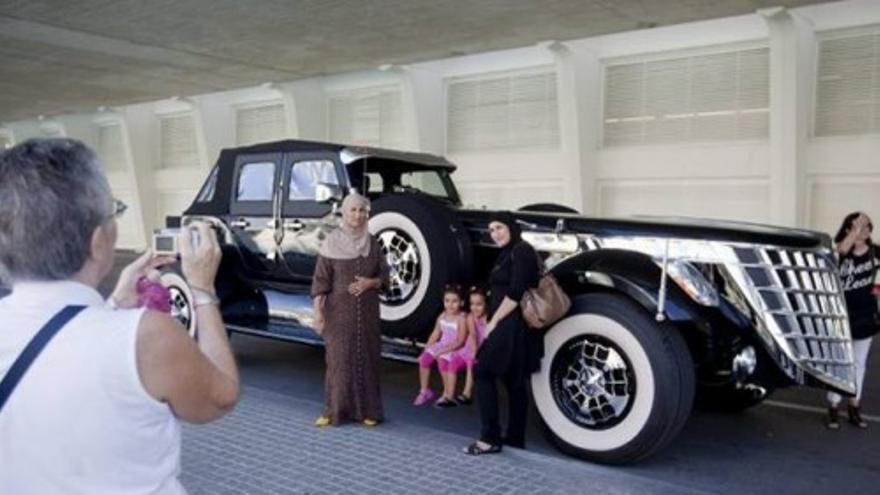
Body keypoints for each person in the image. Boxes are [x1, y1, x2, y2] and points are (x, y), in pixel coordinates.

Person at [0, 138, 239, 493]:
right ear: (99, 240)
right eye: (115, 211)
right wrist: (203, 289)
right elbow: (220, 396)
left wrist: (111, 306)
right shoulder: (147, 337)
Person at [464, 212, 541, 455]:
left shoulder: (521, 251)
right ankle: (515, 438)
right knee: (513, 381)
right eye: (491, 230)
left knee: (482, 370)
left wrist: (493, 322)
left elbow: (517, 291)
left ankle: (490, 438)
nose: (495, 233)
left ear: (510, 227)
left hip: (511, 325)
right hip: (509, 325)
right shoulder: (509, 252)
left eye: (499, 227)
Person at [311, 192, 388, 427]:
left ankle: (369, 412)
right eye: (353, 210)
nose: (358, 215)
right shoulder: (331, 242)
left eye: (362, 211)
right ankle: (334, 411)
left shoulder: (373, 243)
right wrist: (318, 313)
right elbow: (320, 282)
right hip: (338, 314)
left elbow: (385, 278)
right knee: (338, 361)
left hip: (367, 314)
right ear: (344, 213)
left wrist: (370, 283)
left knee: (367, 360)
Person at [826, 211, 878, 430]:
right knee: (839, 362)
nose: (861, 231)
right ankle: (833, 406)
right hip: (841, 315)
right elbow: (842, 249)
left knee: (859, 364)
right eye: (855, 227)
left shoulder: (876, 252)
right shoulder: (842, 251)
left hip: (866, 315)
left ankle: (854, 406)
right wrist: (855, 229)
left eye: (865, 227)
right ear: (847, 229)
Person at [413, 285, 467, 408]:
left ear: (462, 303)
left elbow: (460, 341)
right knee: (424, 359)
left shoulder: (461, 318)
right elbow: (435, 334)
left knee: (442, 360)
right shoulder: (442, 316)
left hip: (455, 347)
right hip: (442, 344)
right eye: (447, 301)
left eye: (454, 301)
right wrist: (427, 349)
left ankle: (447, 394)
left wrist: (442, 351)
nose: (450, 305)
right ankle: (424, 391)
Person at [451, 286, 489, 405]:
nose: (475, 308)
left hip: (482, 348)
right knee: (452, 363)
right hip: (470, 347)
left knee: (470, 364)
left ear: (486, 304)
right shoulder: (470, 317)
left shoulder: (488, 318)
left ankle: (467, 393)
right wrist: (474, 349)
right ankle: (449, 392)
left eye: (479, 304)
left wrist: (477, 351)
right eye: (472, 304)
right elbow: (472, 334)